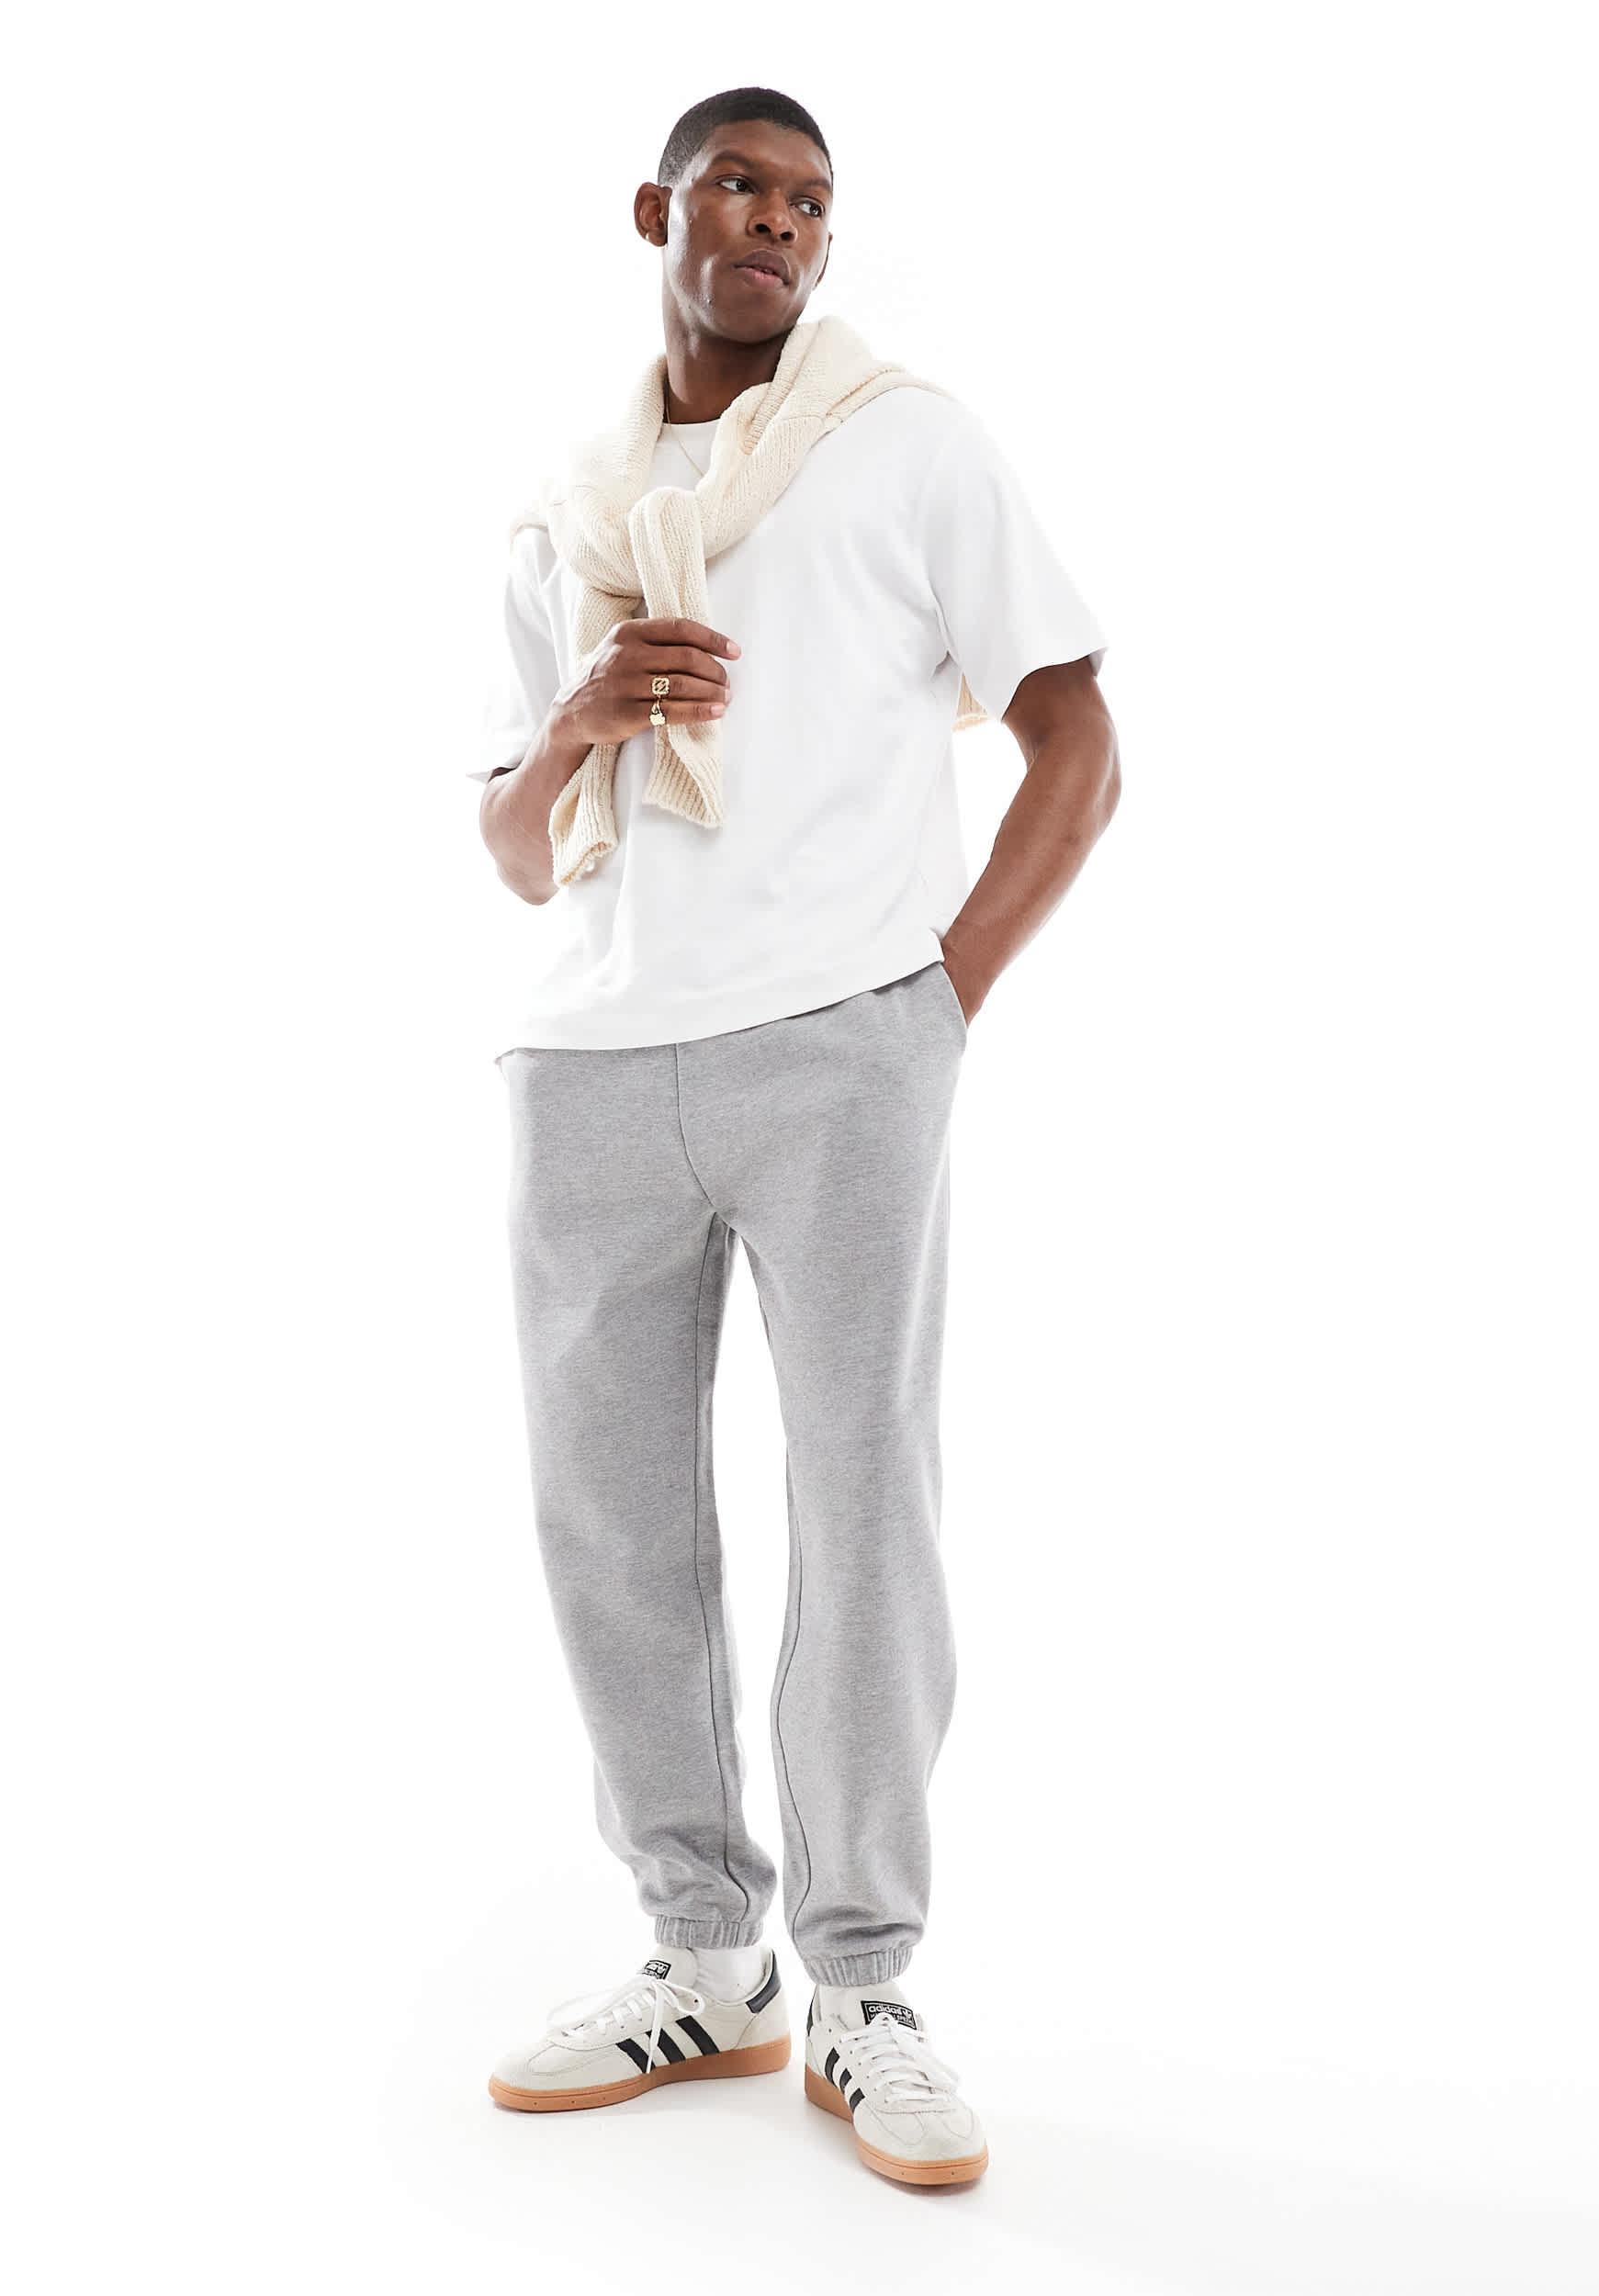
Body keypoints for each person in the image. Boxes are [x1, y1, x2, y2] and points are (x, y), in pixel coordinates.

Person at [469, 85, 1120, 2188]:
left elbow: (1076, 738)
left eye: (809, 203)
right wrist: (579, 717)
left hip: (839, 1045)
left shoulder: (902, 444)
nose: (773, 223)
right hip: (588, 1060)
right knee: (609, 1531)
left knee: (860, 1509)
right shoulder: (562, 517)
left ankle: (859, 1982)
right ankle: (701, 1952)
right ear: (654, 211)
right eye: (737, 187)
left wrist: (937, 998)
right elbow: (514, 850)